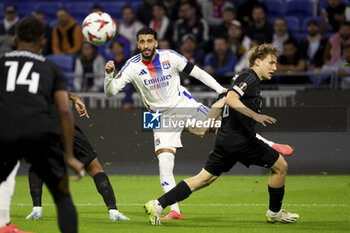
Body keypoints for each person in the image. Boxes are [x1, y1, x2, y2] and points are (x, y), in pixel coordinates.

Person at [105, 27, 293, 221]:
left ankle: (270, 144)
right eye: (142, 42)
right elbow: (110, 92)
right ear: (138, 44)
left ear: (156, 42)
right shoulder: (132, 66)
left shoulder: (170, 57)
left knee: (223, 126)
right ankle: (174, 210)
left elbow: (198, 73)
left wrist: (221, 89)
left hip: (182, 104)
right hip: (159, 117)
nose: (146, 45)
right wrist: (109, 75)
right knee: (165, 163)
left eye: (149, 41)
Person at [144, 43, 299, 225]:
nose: (275, 67)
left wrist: (205, 126)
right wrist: (255, 115)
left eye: (276, 63)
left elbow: (221, 101)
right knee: (281, 167)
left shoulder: (244, 79)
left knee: (202, 179)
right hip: (242, 140)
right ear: (257, 62)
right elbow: (232, 99)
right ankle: (274, 213)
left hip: (225, 140)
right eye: (271, 63)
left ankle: (157, 205)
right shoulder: (249, 78)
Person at [0, 16, 83, 233]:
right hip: (40, 133)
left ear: (15, 40)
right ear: (43, 42)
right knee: (62, 195)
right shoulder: (52, 70)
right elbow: (64, 110)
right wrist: (70, 156)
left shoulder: (1, 63)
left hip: (5, 131)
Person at [25, 92, 130, 221]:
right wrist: (75, 98)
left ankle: (36, 210)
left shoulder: (17, 82)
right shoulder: (47, 74)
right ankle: (114, 212)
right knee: (95, 168)